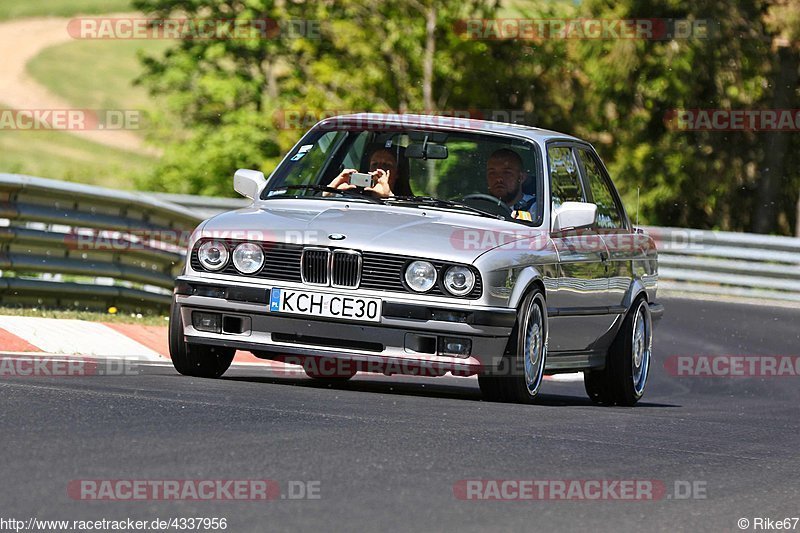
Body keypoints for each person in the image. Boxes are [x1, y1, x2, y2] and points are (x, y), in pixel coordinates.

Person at [326, 146, 412, 198]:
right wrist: (329, 190)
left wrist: (389, 197)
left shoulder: (410, 202)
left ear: (397, 173)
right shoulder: (353, 196)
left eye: (386, 165)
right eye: (374, 164)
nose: (379, 169)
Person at [486, 148, 536, 221]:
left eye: (506, 173)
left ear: (521, 178)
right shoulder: (475, 207)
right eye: (492, 173)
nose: (498, 178)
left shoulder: (536, 210)